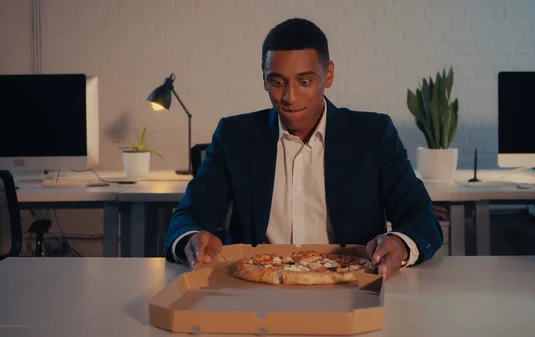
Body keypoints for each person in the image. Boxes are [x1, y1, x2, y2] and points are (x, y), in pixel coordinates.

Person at [164, 18, 443, 280]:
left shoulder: (374, 134)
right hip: (256, 287)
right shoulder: (234, 135)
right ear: (263, 77)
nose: (289, 97)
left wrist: (400, 244)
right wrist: (191, 238)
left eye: (305, 81)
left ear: (329, 75)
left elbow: (420, 216)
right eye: (277, 82)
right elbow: (189, 215)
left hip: (351, 285)